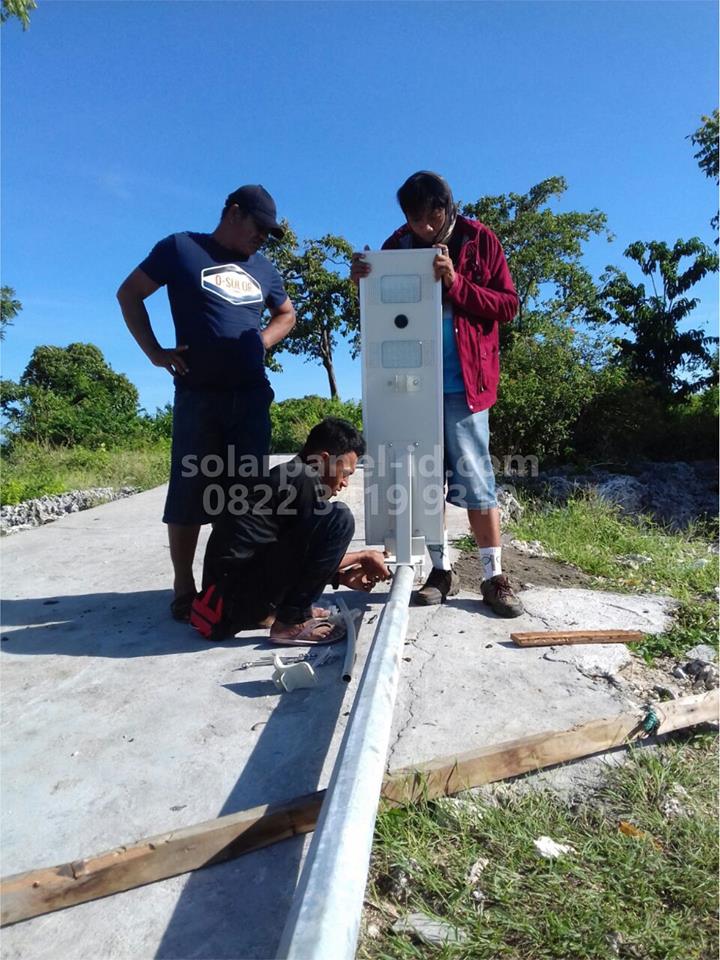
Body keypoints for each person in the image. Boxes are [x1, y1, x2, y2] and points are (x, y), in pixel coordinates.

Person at [117, 185, 296, 622]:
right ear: (233, 213)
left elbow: (286, 314)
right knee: (190, 490)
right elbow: (130, 293)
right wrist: (155, 353)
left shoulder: (265, 269)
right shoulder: (181, 249)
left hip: (251, 396)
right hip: (199, 395)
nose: (262, 238)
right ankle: (184, 587)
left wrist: (260, 343)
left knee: (246, 496)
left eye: (268, 233)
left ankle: (233, 585)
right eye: (258, 227)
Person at [351, 171, 523, 618]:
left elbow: (508, 305)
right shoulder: (397, 245)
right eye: (414, 220)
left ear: (447, 208)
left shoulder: (479, 240)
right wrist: (364, 281)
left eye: (431, 218)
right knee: (425, 481)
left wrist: (456, 283)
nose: (423, 228)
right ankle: (441, 572)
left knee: (477, 480)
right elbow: (381, 306)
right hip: (411, 386)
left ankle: (494, 575)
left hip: (465, 385)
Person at [194, 417, 392, 644]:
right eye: (345, 473)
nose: (345, 482)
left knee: (330, 519)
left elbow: (300, 558)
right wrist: (363, 556)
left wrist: (339, 577)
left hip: (225, 600)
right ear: (323, 460)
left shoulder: (288, 476)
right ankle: (290, 622)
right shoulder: (303, 479)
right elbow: (305, 558)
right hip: (232, 601)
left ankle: (285, 611)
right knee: (340, 519)